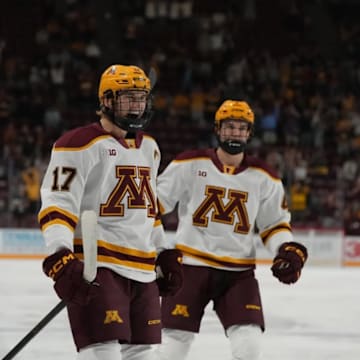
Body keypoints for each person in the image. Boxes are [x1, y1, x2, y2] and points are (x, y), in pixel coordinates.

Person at [38, 64, 183, 360]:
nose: (136, 106)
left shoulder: (151, 148)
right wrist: (59, 254)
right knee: (101, 353)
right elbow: (57, 204)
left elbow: (148, 209)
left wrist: (161, 250)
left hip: (143, 271)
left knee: (143, 353)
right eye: (128, 98)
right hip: (98, 266)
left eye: (141, 98)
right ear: (106, 101)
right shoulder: (77, 144)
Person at [155, 100, 308, 360]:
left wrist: (285, 248)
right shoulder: (189, 163)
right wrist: (156, 249)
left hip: (238, 273)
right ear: (217, 129)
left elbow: (274, 225)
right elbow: (152, 207)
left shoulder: (265, 176)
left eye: (241, 127)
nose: (235, 133)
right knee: (173, 344)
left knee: (249, 345)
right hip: (190, 267)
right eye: (229, 127)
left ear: (249, 133)